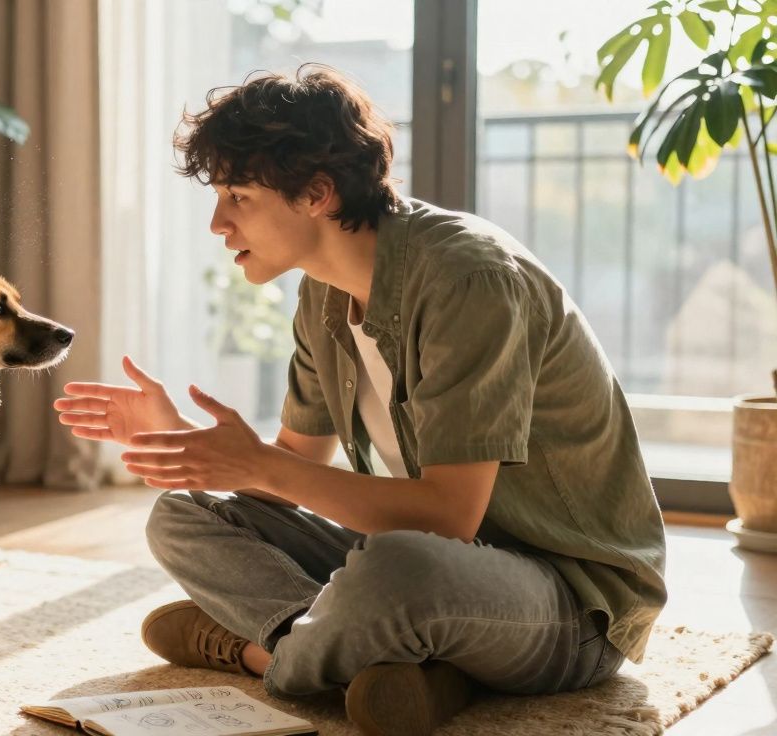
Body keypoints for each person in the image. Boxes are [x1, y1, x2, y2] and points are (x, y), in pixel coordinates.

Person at [52, 65, 667, 736]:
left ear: (316, 194)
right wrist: (186, 448)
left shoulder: (471, 280)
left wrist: (259, 468)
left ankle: (262, 653)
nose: (218, 223)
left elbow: (448, 522)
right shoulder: (322, 291)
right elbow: (287, 479)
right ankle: (403, 665)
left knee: (401, 568)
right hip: (438, 566)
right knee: (181, 516)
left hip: (569, 603)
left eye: (237, 196)